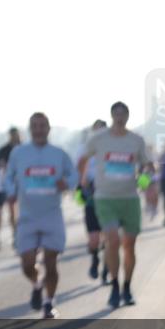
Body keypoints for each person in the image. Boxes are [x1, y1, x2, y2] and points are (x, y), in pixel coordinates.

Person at [5, 113, 77, 319]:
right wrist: (10, 191)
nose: (38, 129)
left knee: (51, 262)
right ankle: (37, 284)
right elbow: (8, 176)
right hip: (27, 216)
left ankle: (49, 302)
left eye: (42, 125)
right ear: (29, 128)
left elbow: (73, 175)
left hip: (51, 215)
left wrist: (67, 183)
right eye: (34, 126)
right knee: (27, 264)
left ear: (48, 128)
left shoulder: (59, 154)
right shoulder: (19, 153)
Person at [78, 102, 149, 309]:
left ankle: (127, 286)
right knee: (112, 240)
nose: (119, 118)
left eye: (123, 114)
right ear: (111, 116)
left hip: (129, 198)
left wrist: (146, 181)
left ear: (128, 116)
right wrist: (82, 181)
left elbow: (146, 166)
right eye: (116, 114)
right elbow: (83, 159)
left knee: (129, 245)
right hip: (105, 197)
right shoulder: (99, 139)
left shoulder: (136, 140)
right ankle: (115, 287)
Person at [75, 119, 108, 282]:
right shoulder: (85, 148)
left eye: (103, 130)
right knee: (94, 238)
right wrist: (81, 185)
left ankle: (108, 269)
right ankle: (95, 259)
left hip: (109, 194)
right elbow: (78, 168)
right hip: (91, 194)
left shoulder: (112, 146)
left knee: (110, 235)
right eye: (97, 130)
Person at [0, 127, 22, 247]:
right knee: (12, 211)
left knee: (24, 210)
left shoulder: (25, 148)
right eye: (12, 135)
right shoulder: (4, 149)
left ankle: (23, 233)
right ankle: (15, 234)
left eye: (16, 135)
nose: (14, 137)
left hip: (26, 183)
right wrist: (2, 165)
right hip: (10, 183)